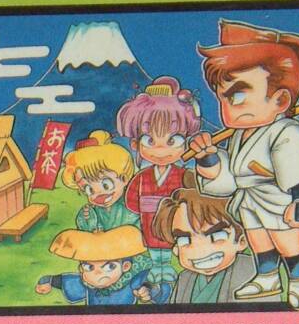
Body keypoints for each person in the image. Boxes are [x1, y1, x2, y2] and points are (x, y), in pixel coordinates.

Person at [188, 20, 299, 310]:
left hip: (278, 198)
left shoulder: (286, 131)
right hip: (250, 198)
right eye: (223, 98)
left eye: (238, 96)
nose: (227, 109)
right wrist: (209, 159)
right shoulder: (240, 136)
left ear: (280, 99)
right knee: (258, 240)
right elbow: (230, 179)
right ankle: (267, 276)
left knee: (288, 243)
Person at [116, 77, 203, 302]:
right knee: (155, 255)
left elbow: (193, 199)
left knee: (173, 251)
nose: (161, 149)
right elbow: (132, 201)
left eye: (172, 140)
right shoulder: (142, 177)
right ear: (136, 144)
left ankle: (171, 277)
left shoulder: (183, 175)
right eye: (149, 140)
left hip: (175, 225)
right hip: (149, 225)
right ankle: (156, 274)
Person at [151, 187, 256, 304]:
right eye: (185, 240)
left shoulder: (253, 272)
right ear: (176, 250)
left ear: (242, 240)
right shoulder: (185, 278)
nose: (199, 249)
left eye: (216, 236)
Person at [34, 226, 167, 305]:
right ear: (81, 269)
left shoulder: (133, 280)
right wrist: (48, 281)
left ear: (125, 267)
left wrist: (151, 291)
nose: (98, 274)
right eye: (89, 267)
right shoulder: (88, 284)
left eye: (110, 267)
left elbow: (163, 290)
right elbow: (67, 282)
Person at [60, 130, 139, 232]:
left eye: (106, 185)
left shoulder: (131, 205)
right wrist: (88, 219)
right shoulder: (94, 210)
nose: (98, 193)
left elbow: (139, 227)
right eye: (89, 190)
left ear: (124, 179)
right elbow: (87, 230)